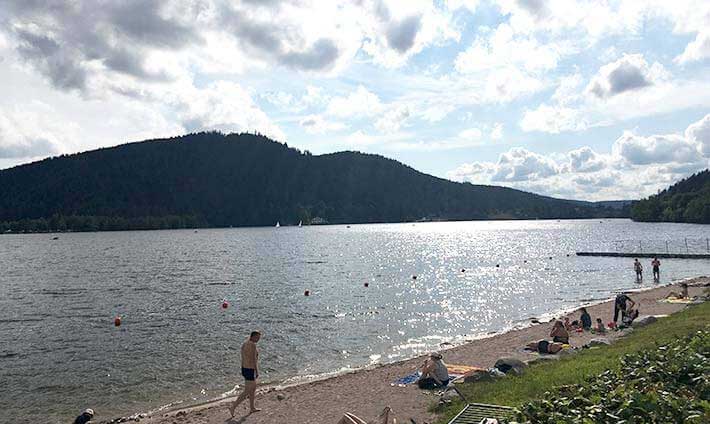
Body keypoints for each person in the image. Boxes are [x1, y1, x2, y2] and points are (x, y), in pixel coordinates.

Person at [229, 331, 262, 417]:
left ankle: (252, 407)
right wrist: (257, 371)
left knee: (253, 388)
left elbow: (243, 357)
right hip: (250, 369)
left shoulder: (245, 344)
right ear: (253, 336)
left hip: (245, 368)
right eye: (257, 338)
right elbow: (253, 360)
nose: (258, 339)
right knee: (247, 391)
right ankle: (233, 407)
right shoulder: (252, 345)